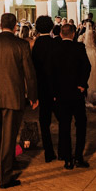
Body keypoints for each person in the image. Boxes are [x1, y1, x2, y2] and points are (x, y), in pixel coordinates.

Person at [0, 12, 38, 189]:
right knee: (9, 136)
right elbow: (29, 73)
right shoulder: (21, 45)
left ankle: (3, 163)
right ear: (15, 26)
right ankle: (5, 176)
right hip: (13, 95)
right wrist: (33, 96)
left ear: (1, 24)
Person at [52, 22, 91, 169]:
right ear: (74, 34)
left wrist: (54, 92)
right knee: (80, 124)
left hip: (61, 94)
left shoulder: (55, 49)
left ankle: (67, 158)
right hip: (76, 92)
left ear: (61, 34)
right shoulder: (79, 47)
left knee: (64, 126)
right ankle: (79, 157)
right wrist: (82, 84)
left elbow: (51, 72)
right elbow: (87, 66)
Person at [30, 15, 58, 162]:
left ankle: (49, 151)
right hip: (55, 87)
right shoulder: (55, 43)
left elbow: (33, 69)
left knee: (44, 121)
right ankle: (64, 150)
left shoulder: (36, 45)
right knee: (62, 119)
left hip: (42, 87)